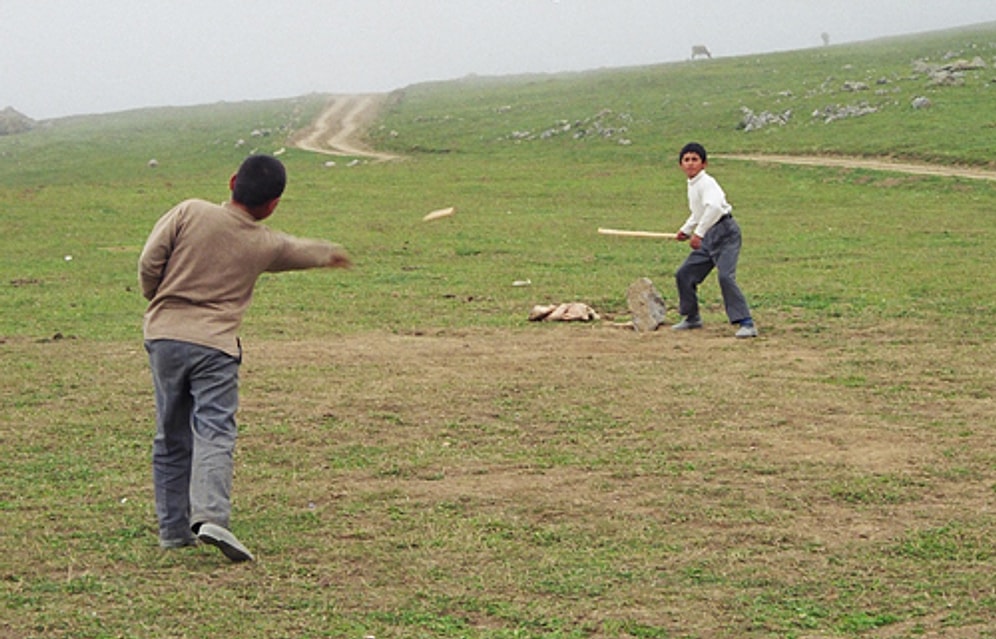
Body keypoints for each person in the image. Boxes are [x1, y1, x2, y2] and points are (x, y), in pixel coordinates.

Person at [138, 155, 351, 561]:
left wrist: (158, 300)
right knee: (215, 429)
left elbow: (150, 261)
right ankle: (211, 515)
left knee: (170, 433)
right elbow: (298, 250)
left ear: (233, 180)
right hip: (216, 346)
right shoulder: (265, 242)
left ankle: (172, 529)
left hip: (164, 337)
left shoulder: (188, 211)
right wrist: (331, 254)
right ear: (273, 204)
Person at [670, 142, 757, 338]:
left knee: (725, 276)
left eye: (695, 160)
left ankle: (746, 323)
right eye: (686, 160)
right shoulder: (692, 185)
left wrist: (698, 234)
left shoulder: (707, 183)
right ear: (681, 165)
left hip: (725, 232)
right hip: (709, 234)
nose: (691, 164)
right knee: (684, 273)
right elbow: (699, 212)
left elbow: (715, 209)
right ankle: (692, 318)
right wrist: (686, 230)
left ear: (704, 164)